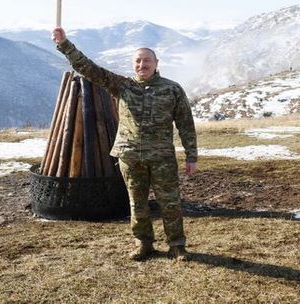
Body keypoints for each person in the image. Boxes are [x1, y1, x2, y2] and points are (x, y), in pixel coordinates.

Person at [52, 27, 198, 261]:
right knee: (136, 203)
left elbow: (186, 124)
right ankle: (143, 244)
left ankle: (177, 245)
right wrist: (64, 44)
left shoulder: (172, 89)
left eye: (147, 61)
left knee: (170, 202)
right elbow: (89, 69)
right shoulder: (122, 86)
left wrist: (192, 156)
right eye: (138, 61)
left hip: (162, 158)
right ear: (134, 65)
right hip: (129, 156)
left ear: (156, 63)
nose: (143, 65)